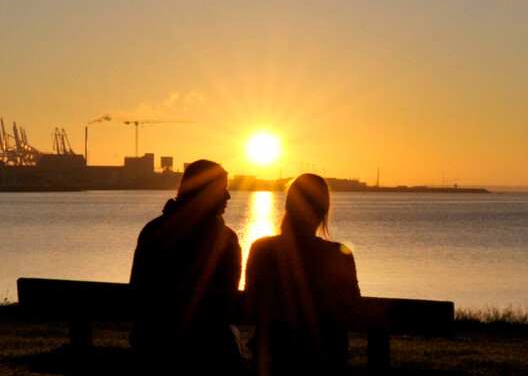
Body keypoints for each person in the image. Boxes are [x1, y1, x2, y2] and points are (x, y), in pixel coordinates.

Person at [129, 159, 243, 375]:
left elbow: (136, 290)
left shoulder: (152, 231)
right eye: (223, 188)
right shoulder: (225, 240)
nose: (228, 196)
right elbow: (229, 300)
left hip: (153, 343)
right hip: (209, 348)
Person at [245, 174, 361, 376]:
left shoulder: (261, 248)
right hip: (326, 358)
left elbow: (248, 303)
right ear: (323, 211)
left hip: (272, 355)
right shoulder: (339, 254)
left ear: (288, 206)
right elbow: (354, 308)